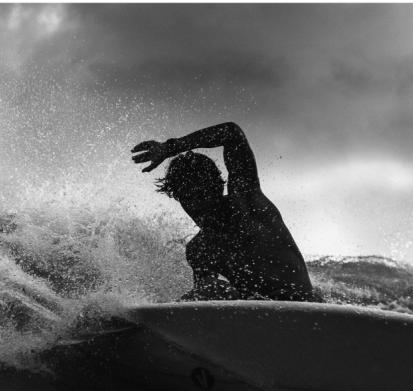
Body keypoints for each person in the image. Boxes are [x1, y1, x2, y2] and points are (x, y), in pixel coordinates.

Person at [131, 122, 318, 302]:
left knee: (214, 290)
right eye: (187, 197)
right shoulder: (200, 250)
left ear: (217, 187)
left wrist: (170, 148)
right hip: (262, 320)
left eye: (202, 194)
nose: (196, 205)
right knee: (208, 290)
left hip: (308, 309)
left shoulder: (246, 204)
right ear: (178, 198)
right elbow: (206, 305)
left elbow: (231, 133)